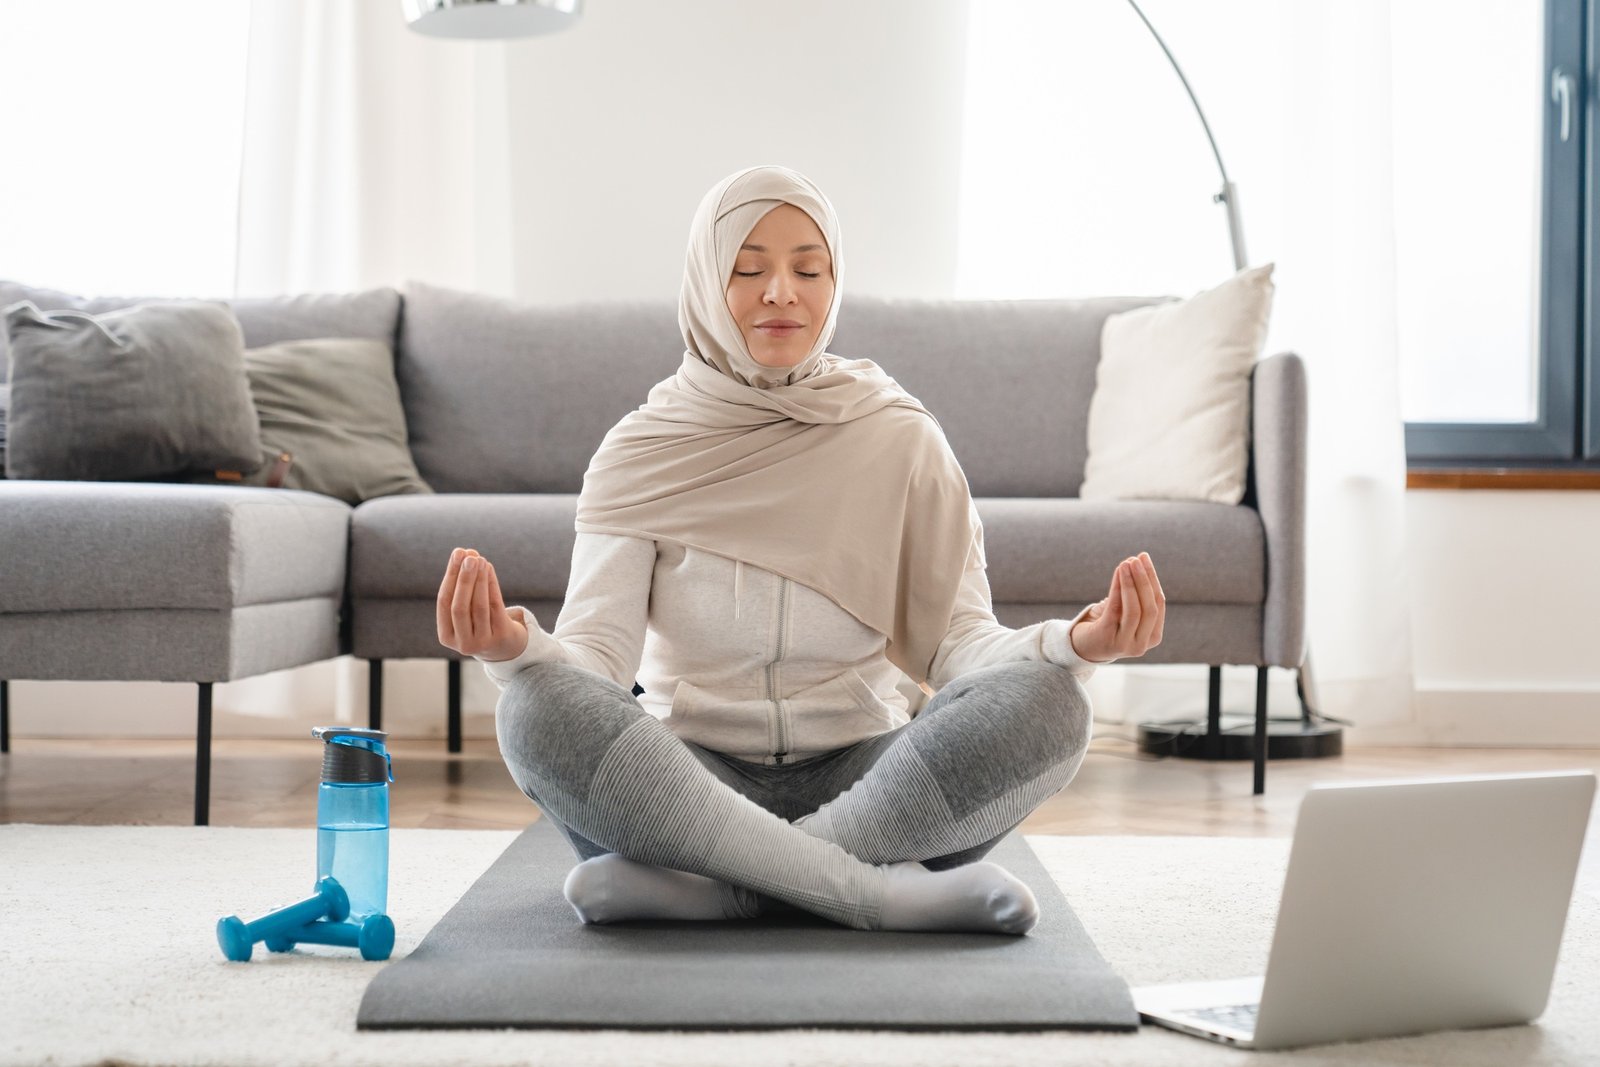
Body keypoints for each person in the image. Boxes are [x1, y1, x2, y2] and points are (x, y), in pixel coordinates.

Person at [437, 164, 1165, 935]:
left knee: (1053, 702)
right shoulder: (641, 449)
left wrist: (1074, 646)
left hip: (875, 781)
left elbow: (959, 643)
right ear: (706, 286)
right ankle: (872, 892)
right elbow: (598, 660)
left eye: (807, 269)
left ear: (834, 282)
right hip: (687, 785)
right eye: (748, 270)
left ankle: (718, 890)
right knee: (532, 708)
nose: (782, 290)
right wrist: (513, 651)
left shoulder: (900, 438)